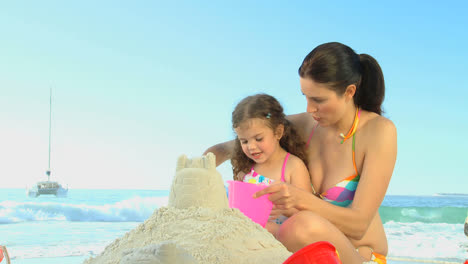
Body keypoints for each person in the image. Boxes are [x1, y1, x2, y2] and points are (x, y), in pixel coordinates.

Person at [204, 42, 397, 264]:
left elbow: (359, 225)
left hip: (360, 257)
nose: (309, 108)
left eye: (318, 100)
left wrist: (299, 199)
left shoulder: (378, 131)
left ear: (349, 92)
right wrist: (203, 165)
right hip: (312, 253)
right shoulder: (305, 124)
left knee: (300, 226)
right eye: (305, 96)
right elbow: (239, 143)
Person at [229, 93, 312, 236]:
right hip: (248, 236)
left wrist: (284, 208)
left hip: (284, 237)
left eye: (258, 138)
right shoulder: (246, 170)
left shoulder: (293, 166)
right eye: (244, 141)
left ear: (278, 132)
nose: (251, 147)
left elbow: (308, 212)